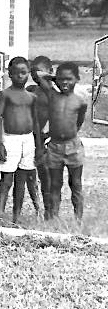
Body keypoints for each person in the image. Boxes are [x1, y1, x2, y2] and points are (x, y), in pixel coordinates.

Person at [0, 57, 43, 224]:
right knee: (6, 180)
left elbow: (35, 122)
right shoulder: (5, 94)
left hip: (28, 140)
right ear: (10, 74)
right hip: (10, 140)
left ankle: (16, 216)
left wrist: (39, 145)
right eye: (16, 73)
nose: (20, 76)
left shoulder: (32, 97)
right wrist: (0, 143)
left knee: (23, 180)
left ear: (28, 74)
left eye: (24, 73)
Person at [45, 62, 88, 221]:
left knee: (75, 184)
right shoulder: (52, 96)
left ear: (77, 79)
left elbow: (79, 122)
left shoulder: (80, 101)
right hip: (55, 147)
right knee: (55, 185)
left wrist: (70, 134)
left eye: (69, 79)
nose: (64, 82)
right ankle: (53, 219)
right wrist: (53, 78)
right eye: (61, 79)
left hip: (73, 147)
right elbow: (39, 75)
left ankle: (78, 221)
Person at [28, 56, 57, 216]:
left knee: (47, 175)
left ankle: (49, 211)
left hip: (47, 138)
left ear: (50, 72)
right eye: (32, 72)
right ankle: (37, 207)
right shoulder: (31, 90)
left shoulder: (55, 94)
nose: (34, 75)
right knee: (30, 175)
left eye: (38, 72)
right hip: (31, 136)